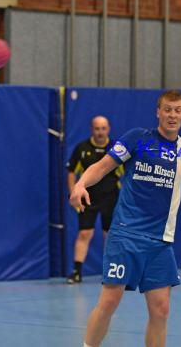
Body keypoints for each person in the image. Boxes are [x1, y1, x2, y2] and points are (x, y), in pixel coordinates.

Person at [69, 90, 181, 347]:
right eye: (167, 109)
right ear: (158, 112)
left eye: (178, 110)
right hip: (126, 234)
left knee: (161, 309)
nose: (172, 115)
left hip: (160, 241)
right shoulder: (138, 138)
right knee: (110, 301)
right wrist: (81, 184)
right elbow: (103, 166)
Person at [66, 116, 122, 284]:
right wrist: (73, 194)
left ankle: (110, 272)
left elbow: (127, 173)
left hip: (110, 197)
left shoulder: (116, 149)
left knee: (109, 235)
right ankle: (76, 272)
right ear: (92, 129)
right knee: (85, 233)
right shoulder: (82, 148)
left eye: (103, 128)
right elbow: (71, 173)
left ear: (109, 129)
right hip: (87, 198)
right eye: (97, 128)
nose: (100, 132)